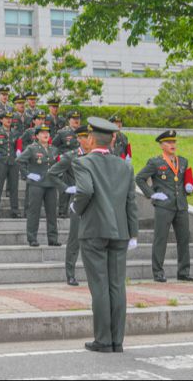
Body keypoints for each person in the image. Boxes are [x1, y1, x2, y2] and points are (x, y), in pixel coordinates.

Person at [71, 117, 139, 353]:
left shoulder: (83, 162)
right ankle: (117, 340)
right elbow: (132, 202)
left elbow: (85, 190)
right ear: (113, 139)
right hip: (120, 231)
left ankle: (103, 339)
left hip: (94, 230)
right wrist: (134, 233)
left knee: (99, 285)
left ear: (90, 139)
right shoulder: (125, 165)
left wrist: (75, 207)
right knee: (117, 285)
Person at [135, 130, 193, 283]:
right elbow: (140, 178)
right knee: (160, 239)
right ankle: (158, 272)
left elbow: (187, 180)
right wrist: (151, 194)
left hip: (181, 205)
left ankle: (183, 271)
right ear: (162, 145)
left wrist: (191, 186)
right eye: (168, 142)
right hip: (164, 205)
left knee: (183, 239)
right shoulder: (156, 162)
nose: (172, 145)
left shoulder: (183, 161)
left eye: (174, 142)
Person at [48, 125, 92, 286]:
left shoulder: (98, 155)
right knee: (75, 238)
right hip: (78, 201)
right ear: (79, 139)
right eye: (86, 137)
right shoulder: (71, 156)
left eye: (90, 136)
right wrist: (66, 188)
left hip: (97, 202)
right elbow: (52, 174)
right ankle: (70, 273)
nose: (89, 139)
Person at [18, 125, 61, 247]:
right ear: (36, 136)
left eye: (47, 132)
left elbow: (58, 163)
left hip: (51, 184)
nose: (45, 134)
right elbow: (20, 161)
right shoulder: (32, 148)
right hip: (36, 184)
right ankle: (32, 238)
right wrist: (27, 174)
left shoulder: (53, 149)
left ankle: (53, 238)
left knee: (52, 212)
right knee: (34, 212)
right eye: (42, 133)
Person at [0, 112, 20, 218]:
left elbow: (19, 144)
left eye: (10, 118)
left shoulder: (15, 132)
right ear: (1, 120)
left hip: (13, 161)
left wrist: (19, 151)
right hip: (1, 161)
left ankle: (15, 210)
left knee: (14, 187)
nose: (9, 120)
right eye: (6, 118)